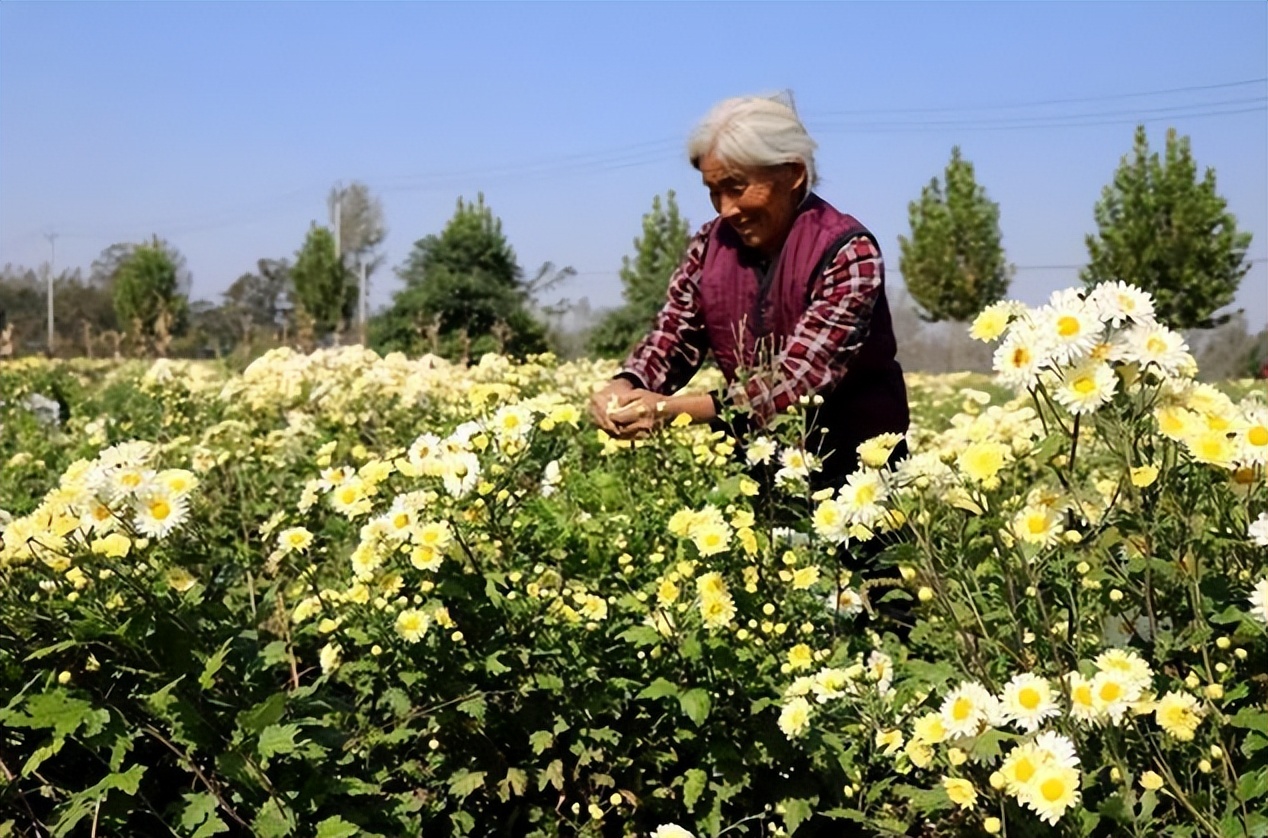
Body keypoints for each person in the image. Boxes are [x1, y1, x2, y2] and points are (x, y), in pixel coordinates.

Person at [589, 93, 910, 490]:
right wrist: (626, 384)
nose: (725, 209)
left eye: (737, 188)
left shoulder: (847, 252)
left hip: (858, 479)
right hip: (757, 473)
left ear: (792, 173)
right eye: (713, 191)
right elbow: (673, 337)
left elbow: (798, 380)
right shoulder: (708, 247)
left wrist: (676, 410)